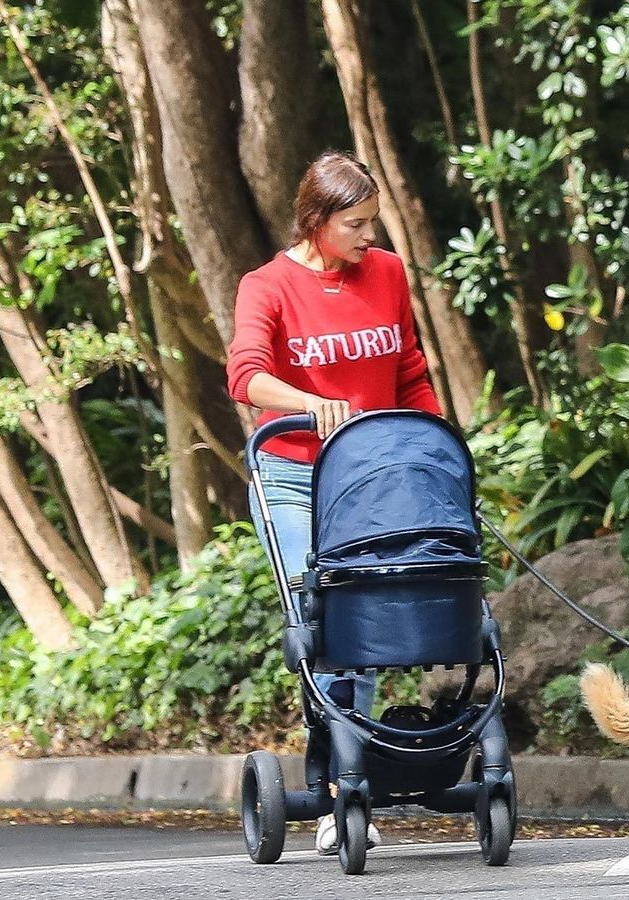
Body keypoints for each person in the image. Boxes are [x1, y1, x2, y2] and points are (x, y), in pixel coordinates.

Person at [226, 150, 444, 854]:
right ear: (315, 220)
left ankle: (346, 780)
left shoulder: (385, 274)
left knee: (367, 621)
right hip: (293, 477)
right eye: (355, 224)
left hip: (376, 479)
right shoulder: (267, 286)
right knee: (324, 615)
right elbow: (246, 375)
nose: (369, 238)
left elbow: (410, 372)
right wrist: (312, 405)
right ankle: (334, 793)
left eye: (373, 223)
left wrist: (437, 454)